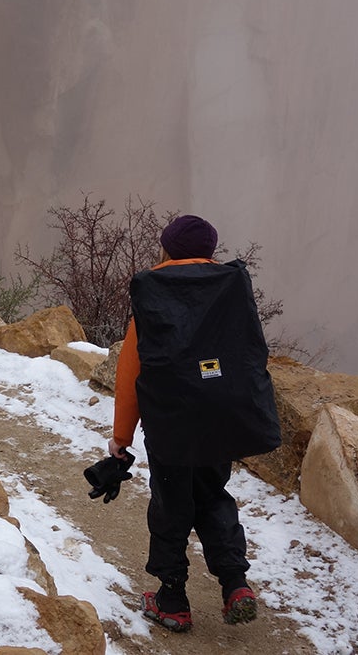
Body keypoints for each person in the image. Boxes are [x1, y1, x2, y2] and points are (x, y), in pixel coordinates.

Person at [107, 214, 281, 633]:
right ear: (209, 252)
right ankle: (235, 584)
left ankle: (172, 600)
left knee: (171, 504)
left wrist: (121, 437)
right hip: (220, 420)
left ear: (166, 249)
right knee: (213, 494)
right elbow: (249, 356)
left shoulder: (154, 292)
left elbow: (132, 372)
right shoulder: (228, 289)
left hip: (171, 426)